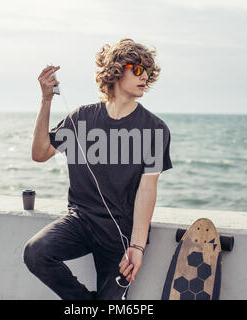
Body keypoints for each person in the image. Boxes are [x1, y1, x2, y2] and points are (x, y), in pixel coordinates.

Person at [23, 38, 173, 300]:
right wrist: (46, 100)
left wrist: (137, 246)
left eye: (148, 72)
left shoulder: (155, 129)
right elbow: (40, 154)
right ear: (116, 71)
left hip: (121, 235)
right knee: (36, 252)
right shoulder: (81, 117)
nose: (144, 78)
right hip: (80, 222)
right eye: (137, 70)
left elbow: (147, 190)